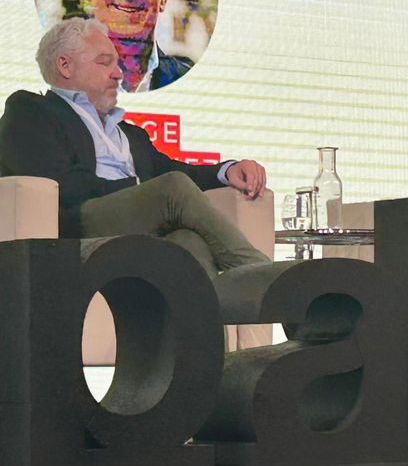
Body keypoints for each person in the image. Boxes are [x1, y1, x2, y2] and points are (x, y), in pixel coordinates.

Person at [0, 18, 270, 277]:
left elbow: (172, 170)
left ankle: (206, 323)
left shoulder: (132, 135)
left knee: (189, 242)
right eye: (105, 62)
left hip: (136, 230)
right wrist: (139, 187)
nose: (118, 74)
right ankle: (266, 279)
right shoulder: (30, 111)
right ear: (65, 65)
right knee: (172, 188)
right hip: (78, 226)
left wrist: (227, 170)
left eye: (118, 64)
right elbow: (61, 184)